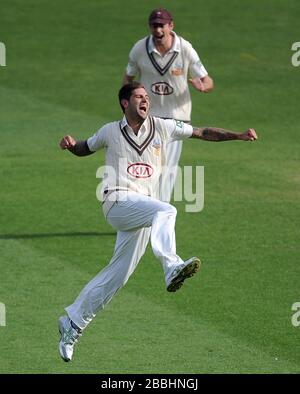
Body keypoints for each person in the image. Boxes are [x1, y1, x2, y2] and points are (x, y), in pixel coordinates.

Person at [58, 82, 257, 362]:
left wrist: (237, 135)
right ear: (124, 103)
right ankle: (171, 265)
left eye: (147, 97)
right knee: (167, 211)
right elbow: (84, 147)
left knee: (118, 276)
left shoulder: (163, 126)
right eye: (139, 97)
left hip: (141, 207)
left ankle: (73, 323)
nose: (145, 101)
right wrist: (69, 145)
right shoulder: (109, 131)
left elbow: (201, 132)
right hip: (116, 200)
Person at [123, 8, 214, 202]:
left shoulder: (185, 48)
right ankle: (146, 210)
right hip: (148, 117)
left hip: (177, 117)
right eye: (154, 26)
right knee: (146, 166)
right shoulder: (139, 49)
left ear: (170, 26)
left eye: (161, 25)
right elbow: (128, 78)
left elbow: (208, 80)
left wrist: (203, 87)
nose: (157, 30)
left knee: (167, 168)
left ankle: (160, 213)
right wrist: (128, 104)